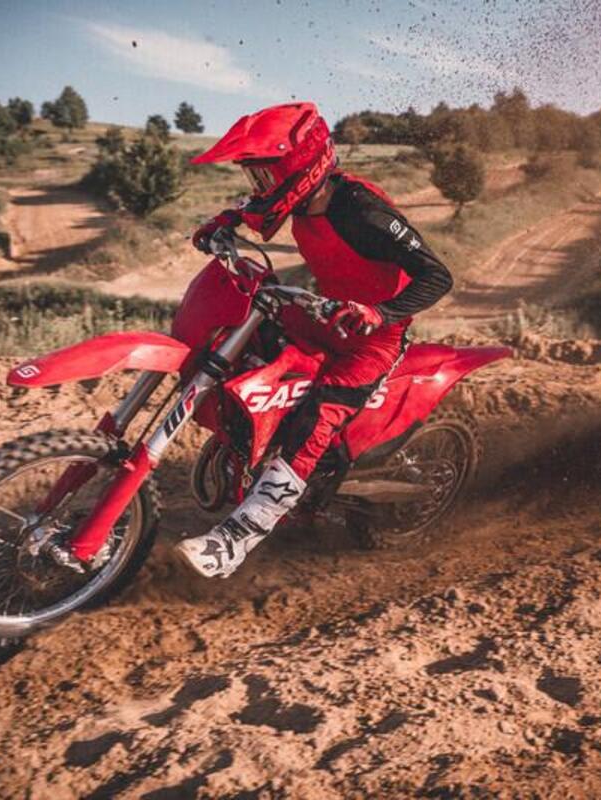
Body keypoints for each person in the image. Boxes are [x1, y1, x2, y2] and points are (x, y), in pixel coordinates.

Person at [174, 102, 453, 578]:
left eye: (265, 177)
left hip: (374, 336)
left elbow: (437, 276)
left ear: (299, 169)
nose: (259, 189)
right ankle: (245, 443)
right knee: (254, 337)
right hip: (327, 313)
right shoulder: (300, 200)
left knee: (318, 415)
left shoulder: (363, 212)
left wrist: (379, 312)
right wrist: (226, 220)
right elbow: (255, 210)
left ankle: (239, 538)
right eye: (254, 179)